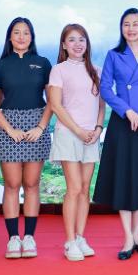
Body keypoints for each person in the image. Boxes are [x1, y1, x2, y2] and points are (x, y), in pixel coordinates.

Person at [95, 8, 138, 260]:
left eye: (136, 24)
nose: (131, 29)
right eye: (126, 24)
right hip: (124, 123)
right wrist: (128, 112)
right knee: (123, 177)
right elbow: (105, 89)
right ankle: (127, 238)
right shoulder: (114, 55)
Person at [0, 17, 52, 260]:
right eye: (16, 32)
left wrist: (41, 127)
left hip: (36, 127)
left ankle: (29, 237)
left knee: (32, 184)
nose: (21, 37)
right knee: (12, 185)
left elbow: (52, 101)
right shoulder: (1, 66)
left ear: (32, 37)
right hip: (8, 127)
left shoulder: (43, 63)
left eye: (26, 32)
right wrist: (9, 129)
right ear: (10, 37)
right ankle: (13, 238)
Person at [48, 24, 105, 261]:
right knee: (73, 188)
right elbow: (55, 105)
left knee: (84, 189)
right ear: (64, 45)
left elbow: (101, 105)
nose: (77, 44)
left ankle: (80, 237)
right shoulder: (58, 70)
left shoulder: (96, 70)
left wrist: (98, 129)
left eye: (82, 39)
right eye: (72, 40)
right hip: (69, 134)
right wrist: (78, 131)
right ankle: (69, 241)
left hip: (91, 136)